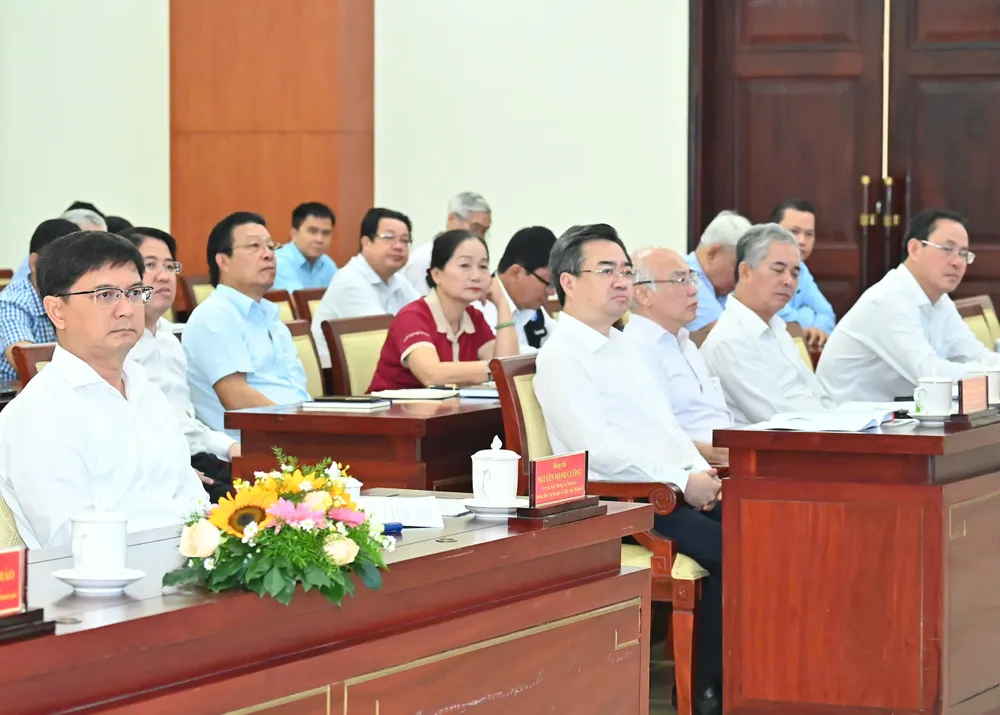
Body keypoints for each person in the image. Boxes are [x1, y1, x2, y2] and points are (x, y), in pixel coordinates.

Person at [533, 224, 723, 713]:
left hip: (668, 489)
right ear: (568, 282)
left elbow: (666, 428)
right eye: (606, 271)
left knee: (767, 527)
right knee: (735, 551)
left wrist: (699, 474)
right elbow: (597, 453)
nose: (621, 281)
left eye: (625, 270)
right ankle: (708, 694)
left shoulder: (623, 346)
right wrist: (682, 482)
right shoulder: (562, 357)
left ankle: (759, 679)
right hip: (622, 504)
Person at [0, 231, 206, 548]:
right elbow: (76, 542)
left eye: (134, 292)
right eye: (106, 295)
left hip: (190, 563)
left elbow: (193, 498)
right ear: (57, 311)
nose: (126, 309)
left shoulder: (147, 391)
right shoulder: (37, 414)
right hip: (114, 575)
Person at [818, 209, 1000, 402]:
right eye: (947, 249)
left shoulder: (940, 300)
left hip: (897, 412)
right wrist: (992, 377)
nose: (957, 262)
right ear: (914, 249)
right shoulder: (889, 299)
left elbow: (975, 354)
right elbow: (930, 374)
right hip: (848, 416)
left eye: (963, 254)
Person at [122, 227, 239, 502]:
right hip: (160, 475)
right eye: (150, 265)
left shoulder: (170, 338)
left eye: (169, 266)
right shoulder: (117, 347)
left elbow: (186, 424)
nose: (164, 276)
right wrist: (173, 472)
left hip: (199, 459)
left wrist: (230, 446)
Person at [183, 212, 310, 438]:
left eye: (271, 246)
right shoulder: (215, 315)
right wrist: (305, 431)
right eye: (254, 246)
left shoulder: (270, 317)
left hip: (297, 433)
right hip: (258, 446)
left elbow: (295, 390)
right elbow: (237, 398)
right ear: (223, 261)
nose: (268, 255)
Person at [701, 223, 835, 424]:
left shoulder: (778, 328)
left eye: (795, 274)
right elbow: (779, 422)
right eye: (778, 270)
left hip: (821, 430)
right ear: (745, 272)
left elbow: (817, 394)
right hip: (789, 440)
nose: (789, 281)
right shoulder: (730, 340)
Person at [368, 229, 518, 391]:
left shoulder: (473, 317)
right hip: (393, 406)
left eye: (483, 266)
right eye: (465, 265)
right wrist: (495, 369)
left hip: (450, 406)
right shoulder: (412, 316)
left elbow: (510, 371)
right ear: (436, 274)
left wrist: (502, 304)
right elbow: (432, 375)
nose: (476, 276)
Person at [623, 247, 733, 463]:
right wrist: (730, 455)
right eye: (680, 280)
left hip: (729, 459)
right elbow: (656, 440)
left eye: (692, 279)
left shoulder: (684, 342)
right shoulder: (636, 350)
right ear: (643, 294)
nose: (694, 290)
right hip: (701, 469)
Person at [310, 207, 419, 367]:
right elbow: (384, 339)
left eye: (405, 240)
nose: (398, 246)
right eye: (389, 237)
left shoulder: (398, 281)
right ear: (366, 242)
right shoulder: (350, 281)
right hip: (336, 377)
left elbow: (426, 320)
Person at [0, 219, 79, 380]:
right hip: (17, 392)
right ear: (34, 263)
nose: (70, 274)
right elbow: (27, 362)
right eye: (61, 265)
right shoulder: (12, 302)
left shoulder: (78, 295)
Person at [473, 226, 558, 353]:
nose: (552, 292)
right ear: (515, 273)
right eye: (549, 283)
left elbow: (559, 340)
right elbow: (509, 358)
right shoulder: (479, 308)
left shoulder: (530, 305)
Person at [772, 198, 836, 348]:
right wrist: (807, 316)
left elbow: (827, 314)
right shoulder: (761, 269)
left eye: (809, 234)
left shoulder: (802, 269)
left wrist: (816, 331)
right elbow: (780, 321)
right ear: (772, 233)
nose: (802, 241)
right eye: (794, 232)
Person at [402, 192, 492, 296]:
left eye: (484, 231)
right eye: (475, 228)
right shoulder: (423, 260)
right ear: (452, 219)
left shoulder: (478, 258)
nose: (480, 236)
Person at [685, 210, 751, 332]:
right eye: (737, 267)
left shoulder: (719, 288)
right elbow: (724, 335)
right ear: (712, 254)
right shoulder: (685, 277)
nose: (742, 277)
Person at [272, 201, 338, 291]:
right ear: (294, 233)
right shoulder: (278, 262)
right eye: (312, 231)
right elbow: (296, 299)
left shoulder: (328, 264)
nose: (319, 239)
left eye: (326, 233)